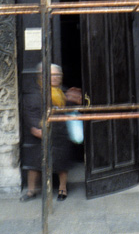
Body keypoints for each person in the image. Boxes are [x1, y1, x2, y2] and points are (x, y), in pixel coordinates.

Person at [20, 63, 81, 202]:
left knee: (61, 163)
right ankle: (31, 190)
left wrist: (75, 100)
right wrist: (36, 127)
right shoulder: (35, 91)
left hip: (60, 132)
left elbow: (69, 110)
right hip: (40, 132)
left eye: (57, 75)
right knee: (35, 163)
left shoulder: (63, 91)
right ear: (43, 76)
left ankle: (62, 189)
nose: (55, 78)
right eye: (52, 75)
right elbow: (29, 111)